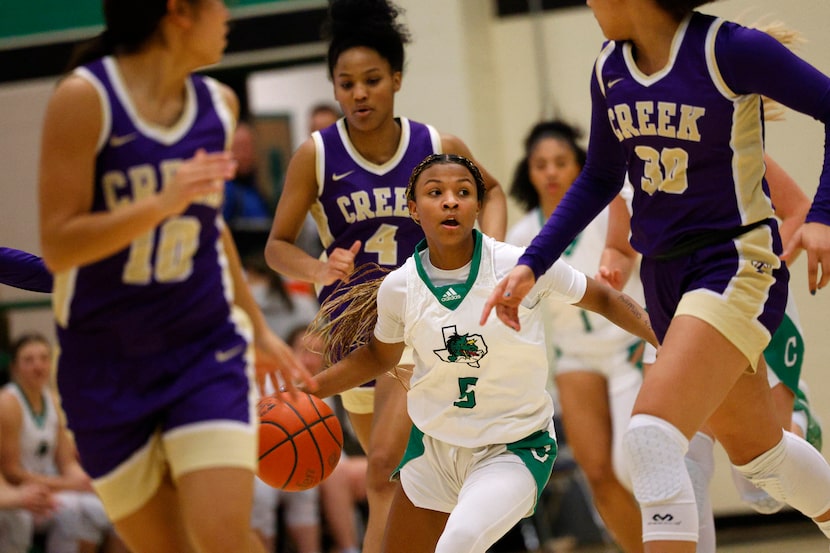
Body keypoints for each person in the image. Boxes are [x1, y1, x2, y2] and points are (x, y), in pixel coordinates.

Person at [481, 1, 830, 551]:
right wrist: (533, 261)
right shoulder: (608, 67)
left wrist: (821, 216)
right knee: (763, 459)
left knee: (650, 437)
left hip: (731, 260)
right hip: (666, 277)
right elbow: (599, 176)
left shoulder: (729, 50)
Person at [36, 2, 314, 553]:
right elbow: (58, 242)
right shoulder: (83, 98)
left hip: (201, 345)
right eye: (218, 3)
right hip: (105, 364)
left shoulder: (219, 105)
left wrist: (256, 328)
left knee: (221, 537)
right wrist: (159, 204)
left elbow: (211, 231)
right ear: (177, 12)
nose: (228, 14)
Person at [305, 154, 657, 553]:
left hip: (513, 448)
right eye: (435, 193)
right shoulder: (399, 287)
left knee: (458, 542)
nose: (451, 201)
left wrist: (667, 340)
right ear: (414, 210)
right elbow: (378, 357)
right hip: (434, 451)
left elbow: (606, 299)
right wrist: (309, 390)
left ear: (478, 205)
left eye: (463, 192)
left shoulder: (520, 264)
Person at [264, 2, 507, 552]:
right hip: (356, 334)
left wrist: (487, 262)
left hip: (425, 325)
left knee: (381, 470)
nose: (359, 94)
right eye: (346, 83)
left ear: (396, 79)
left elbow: (489, 190)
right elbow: (276, 247)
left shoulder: (433, 145)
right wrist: (316, 268)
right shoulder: (316, 155)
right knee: (396, 485)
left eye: (372, 80)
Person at [506, 120, 645, 553]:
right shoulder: (521, 234)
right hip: (575, 356)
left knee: (632, 467)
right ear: (528, 172)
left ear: (579, 166)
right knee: (597, 474)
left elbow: (636, 262)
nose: (550, 172)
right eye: (540, 164)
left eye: (560, 162)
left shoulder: (607, 212)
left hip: (628, 348)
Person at [0, 333, 127, 553]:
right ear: (14, 368)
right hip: (21, 491)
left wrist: (90, 483)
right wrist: (67, 485)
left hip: (48, 487)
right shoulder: (8, 404)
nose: (37, 366)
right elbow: (10, 472)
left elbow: (66, 462)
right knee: (70, 513)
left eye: (43, 358)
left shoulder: (54, 401)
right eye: (29, 360)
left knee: (113, 509)